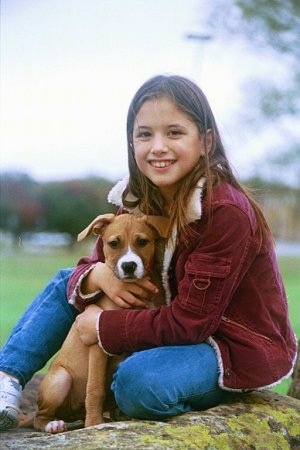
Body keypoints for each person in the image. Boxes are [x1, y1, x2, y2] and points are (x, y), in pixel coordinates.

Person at [0, 74, 297, 432]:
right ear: (131, 143)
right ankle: (7, 377)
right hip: (169, 324)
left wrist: (103, 325)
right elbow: (96, 262)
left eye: (174, 133)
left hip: (227, 345)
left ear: (206, 141)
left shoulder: (224, 213)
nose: (158, 147)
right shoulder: (136, 200)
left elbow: (192, 322)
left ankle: (210, 395)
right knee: (72, 280)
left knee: (138, 383)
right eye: (145, 134)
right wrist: (98, 275)